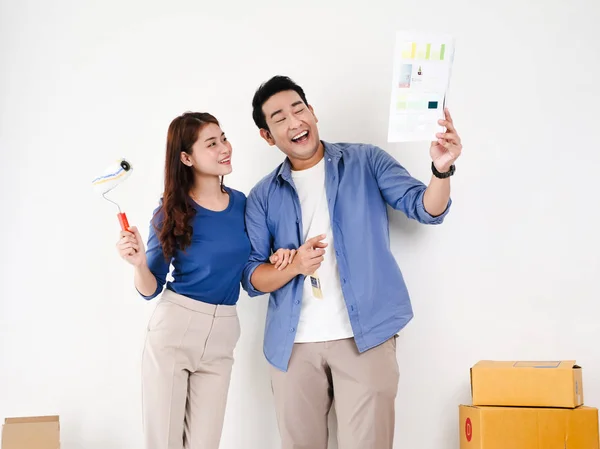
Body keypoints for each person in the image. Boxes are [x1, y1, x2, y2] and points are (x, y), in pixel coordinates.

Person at [241, 76, 463, 449]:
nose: (294, 122)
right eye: (279, 118)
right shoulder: (262, 195)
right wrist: (295, 266)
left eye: (299, 109)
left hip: (366, 337)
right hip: (293, 346)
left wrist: (441, 170)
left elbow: (425, 208)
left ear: (312, 112)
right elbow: (252, 277)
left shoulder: (366, 160)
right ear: (267, 136)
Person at [115, 111, 293, 449]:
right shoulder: (170, 211)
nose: (225, 148)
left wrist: (278, 256)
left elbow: (252, 265)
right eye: (211, 144)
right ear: (186, 157)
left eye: (223, 138)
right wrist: (138, 263)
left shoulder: (243, 203)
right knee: (164, 442)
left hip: (224, 330)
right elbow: (150, 288)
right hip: (176, 327)